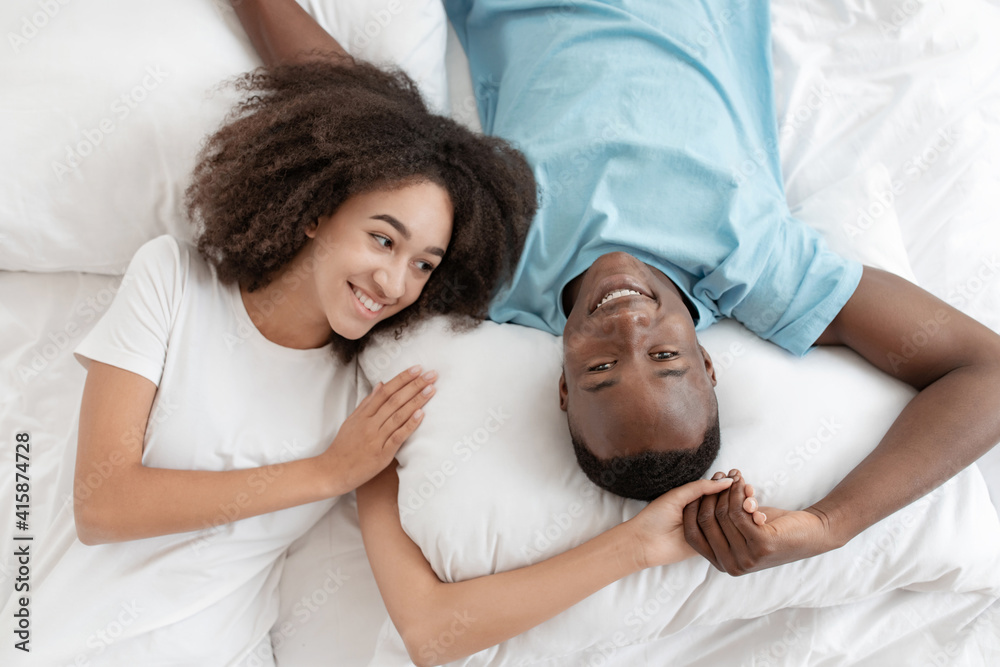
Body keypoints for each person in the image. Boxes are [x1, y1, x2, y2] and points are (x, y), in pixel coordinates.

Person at [237, 0, 1000, 665]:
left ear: (562, 381)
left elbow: (361, 119)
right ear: (710, 358)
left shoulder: (495, 265)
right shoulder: (756, 263)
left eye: (602, 369)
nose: (629, 325)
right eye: (666, 357)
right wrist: (830, 524)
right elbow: (983, 370)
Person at [0, 15, 538, 665]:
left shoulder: (364, 395)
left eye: (424, 263)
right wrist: (324, 472)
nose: (395, 280)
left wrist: (646, 543)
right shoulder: (172, 280)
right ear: (317, 209)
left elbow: (426, 626)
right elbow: (104, 503)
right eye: (383, 238)